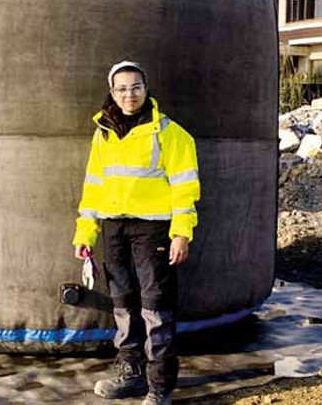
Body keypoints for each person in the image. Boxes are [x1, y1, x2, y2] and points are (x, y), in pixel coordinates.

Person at [72, 61, 200, 405]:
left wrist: (181, 233)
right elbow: (94, 187)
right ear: (112, 92)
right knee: (123, 304)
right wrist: (85, 234)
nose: (130, 95)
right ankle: (131, 373)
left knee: (155, 306)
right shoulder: (104, 134)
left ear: (147, 88)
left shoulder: (170, 133)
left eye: (136, 87)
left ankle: (159, 387)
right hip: (114, 227)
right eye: (122, 89)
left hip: (153, 229)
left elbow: (185, 189)